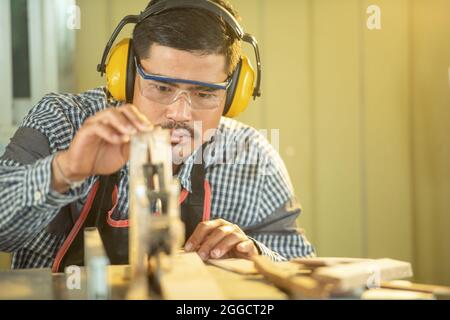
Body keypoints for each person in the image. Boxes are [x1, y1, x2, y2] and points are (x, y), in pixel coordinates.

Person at [0, 0, 315, 271]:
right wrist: (64, 171)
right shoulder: (62, 121)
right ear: (126, 75)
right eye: (162, 87)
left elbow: (301, 270)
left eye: (205, 93)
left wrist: (255, 257)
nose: (180, 113)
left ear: (234, 94)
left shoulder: (253, 156)